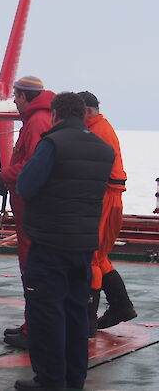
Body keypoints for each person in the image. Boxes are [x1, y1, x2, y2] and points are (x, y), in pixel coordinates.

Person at [14, 92, 114, 391]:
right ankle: (74, 379)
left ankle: (50, 380)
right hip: (83, 245)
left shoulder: (52, 144)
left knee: (47, 314)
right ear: (83, 115)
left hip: (49, 243)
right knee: (75, 312)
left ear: (56, 114)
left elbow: (26, 185)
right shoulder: (103, 149)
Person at [0, 75, 55, 349]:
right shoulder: (39, 120)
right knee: (33, 269)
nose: (13, 102)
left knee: (33, 270)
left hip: (30, 210)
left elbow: (32, 167)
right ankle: (32, 325)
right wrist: (6, 179)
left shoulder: (36, 123)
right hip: (27, 206)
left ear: (23, 97)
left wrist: (1, 176)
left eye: (16, 97)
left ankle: (35, 329)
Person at [78, 91, 137, 334]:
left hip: (104, 198)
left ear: (87, 111)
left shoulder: (96, 132)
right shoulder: (100, 128)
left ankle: (87, 321)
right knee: (100, 257)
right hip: (110, 198)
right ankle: (121, 307)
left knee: (91, 257)